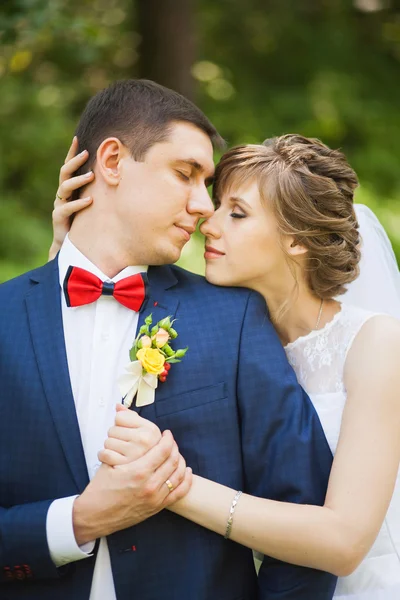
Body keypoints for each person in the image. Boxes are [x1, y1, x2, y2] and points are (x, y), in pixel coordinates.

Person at [0, 80, 336, 600]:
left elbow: (307, 523)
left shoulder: (236, 318)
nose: (204, 206)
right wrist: (77, 521)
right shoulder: (7, 319)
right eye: (185, 174)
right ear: (111, 161)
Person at [54, 133, 400, 600]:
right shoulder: (212, 330)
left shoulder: (376, 343)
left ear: (296, 239)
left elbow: (343, 543)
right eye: (217, 207)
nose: (207, 224)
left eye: (236, 213)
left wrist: (172, 484)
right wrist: (65, 252)